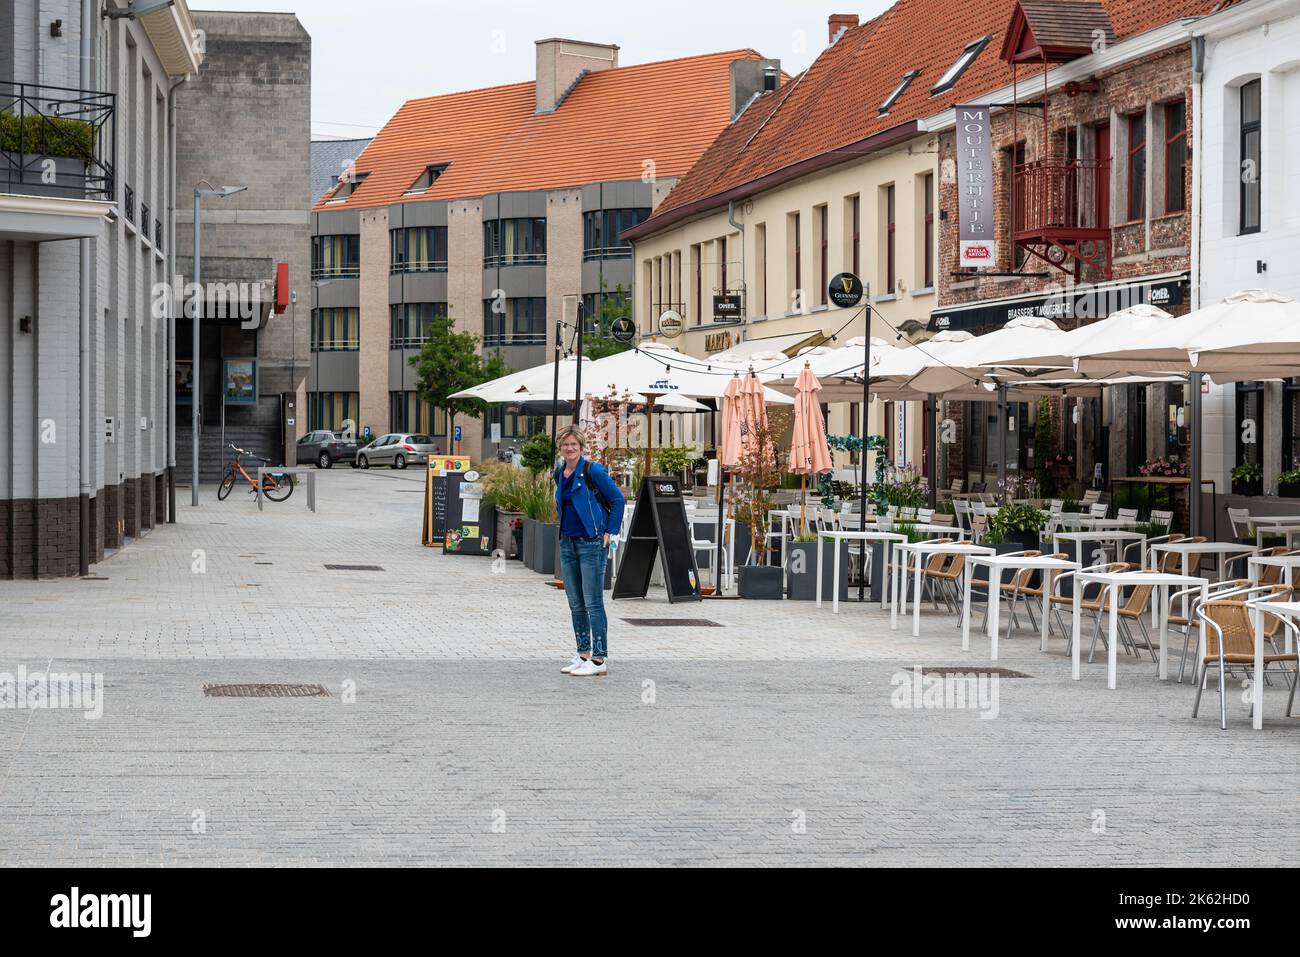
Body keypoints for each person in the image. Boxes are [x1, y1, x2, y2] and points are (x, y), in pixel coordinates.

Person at [553, 425, 625, 677]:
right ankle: (583, 653)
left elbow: (618, 500)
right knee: (576, 603)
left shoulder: (593, 470)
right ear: (560, 448)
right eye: (565, 444)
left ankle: (598, 659)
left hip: (592, 542)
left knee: (593, 602)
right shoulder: (560, 472)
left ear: (581, 447)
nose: (569, 448)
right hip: (568, 542)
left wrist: (610, 531)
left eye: (574, 444)